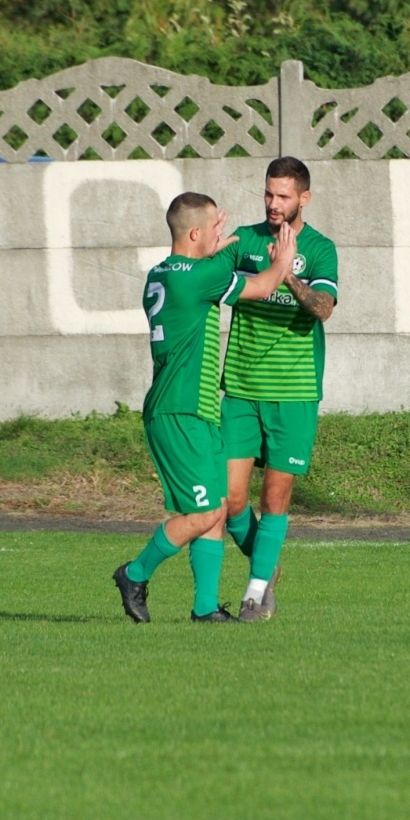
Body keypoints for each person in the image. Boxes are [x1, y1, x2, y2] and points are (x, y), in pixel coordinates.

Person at [114, 192, 294, 624]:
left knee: (217, 509)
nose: (220, 234)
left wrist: (216, 249)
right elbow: (264, 285)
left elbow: (202, 270)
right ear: (195, 233)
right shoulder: (198, 276)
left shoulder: (164, 273)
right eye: (214, 227)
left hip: (199, 411)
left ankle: (205, 609)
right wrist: (285, 259)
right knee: (205, 513)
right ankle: (134, 574)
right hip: (180, 412)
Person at [221, 157, 339, 622]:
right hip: (241, 388)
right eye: (268, 194)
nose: (273, 203)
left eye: (283, 196)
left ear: (304, 198)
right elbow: (206, 276)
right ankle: (265, 565)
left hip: (294, 391)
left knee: (273, 498)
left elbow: (323, 308)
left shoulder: (321, 248)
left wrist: (286, 272)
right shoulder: (244, 241)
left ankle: (255, 594)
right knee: (230, 499)